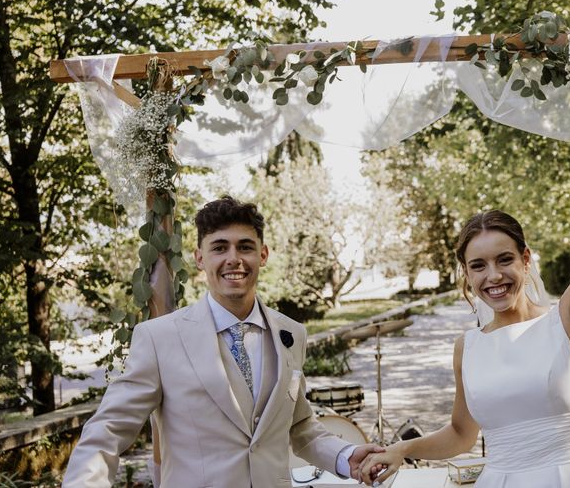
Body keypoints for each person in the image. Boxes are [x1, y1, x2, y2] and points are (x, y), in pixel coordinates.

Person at [359, 71, 570, 486]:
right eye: (478, 266)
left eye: (504, 260)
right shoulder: (468, 347)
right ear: (466, 274)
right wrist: (403, 448)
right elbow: (462, 435)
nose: (494, 276)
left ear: (525, 260)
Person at [62, 197, 382, 487]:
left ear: (263, 254)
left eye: (245, 247)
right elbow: (108, 430)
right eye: (219, 248)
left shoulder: (291, 334)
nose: (234, 259)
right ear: (200, 258)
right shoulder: (158, 338)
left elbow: (300, 427)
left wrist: (345, 456)